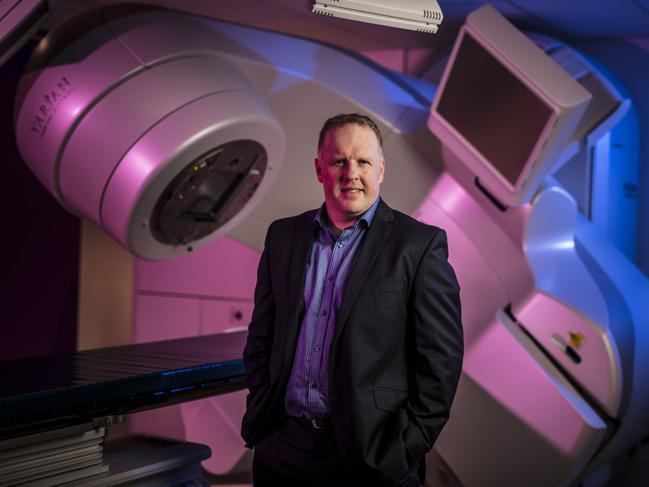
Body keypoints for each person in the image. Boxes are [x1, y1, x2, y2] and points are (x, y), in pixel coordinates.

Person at [241, 113, 463, 487]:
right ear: (319, 169)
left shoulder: (418, 246)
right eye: (339, 161)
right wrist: (264, 410)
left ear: (381, 169)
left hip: (370, 454)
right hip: (283, 446)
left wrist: (405, 446)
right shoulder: (282, 238)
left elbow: (441, 361)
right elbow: (262, 335)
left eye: (363, 161)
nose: (351, 173)